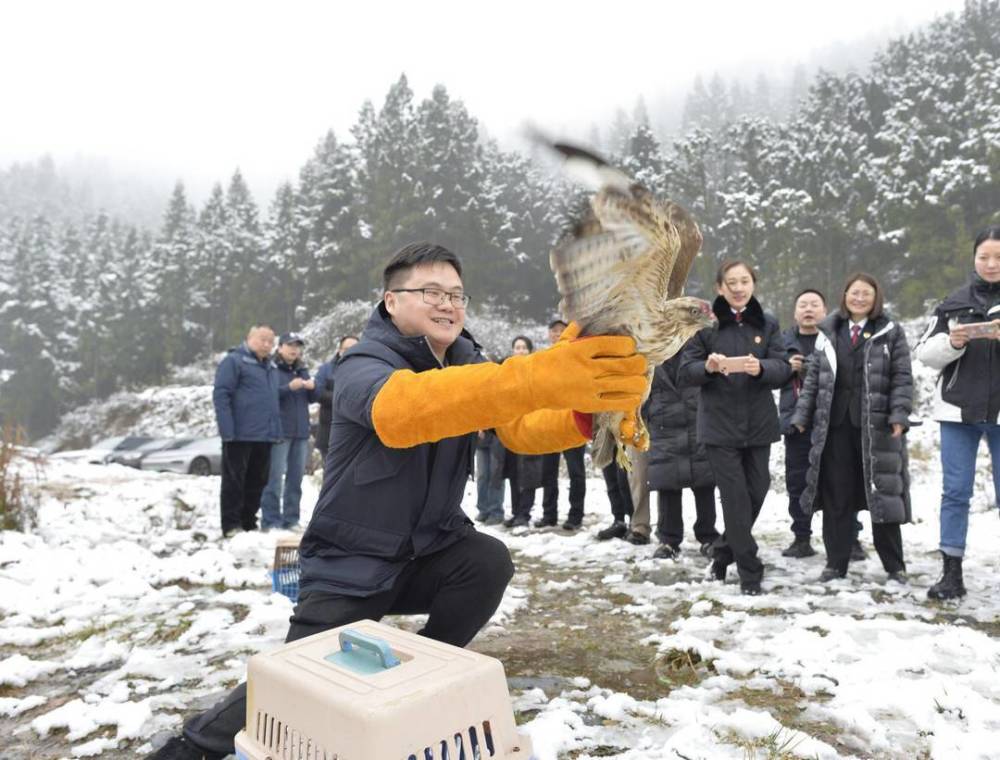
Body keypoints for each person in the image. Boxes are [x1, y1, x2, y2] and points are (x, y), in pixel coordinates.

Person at [151, 242, 647, 759]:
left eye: (457, 294)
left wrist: (585, 416)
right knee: (299, 684)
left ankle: (422, 684)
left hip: (429, 549)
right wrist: (536, 375)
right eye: (431, 291)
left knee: (486, 562)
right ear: (391, 301)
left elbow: (517, 428)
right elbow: (403, 412)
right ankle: (193, 746)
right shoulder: (363, 363)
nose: (448, 304)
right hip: (352, 560)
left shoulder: (466, 358)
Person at [792, 273, 913, 584]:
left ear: (876, 299)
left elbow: (902, 377)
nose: (859, 298)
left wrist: (899, 414)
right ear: (844, 295)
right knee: (837, 496)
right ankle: (836, 563)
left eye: (866, 294)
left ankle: (894, 566)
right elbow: (814, 379)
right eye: (854, 293)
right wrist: (802, 416)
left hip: (876, 429)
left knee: (882, 497)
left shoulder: (890, 331)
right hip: (836, 428)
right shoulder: (828, 331)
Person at [679, 260, 791, 595]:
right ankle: (750, 572)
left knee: (756, 490)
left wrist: (762, 368)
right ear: (719, 288)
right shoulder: (703, 326)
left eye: (744, 281)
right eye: (731, 282)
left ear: (753, 284)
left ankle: (722, 552)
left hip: (758, 423)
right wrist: (709, 367)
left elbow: (784, 368)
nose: (739, 288)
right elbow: (685, 371)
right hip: (718, 425)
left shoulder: (768, 323)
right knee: (735, 499)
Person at [916, 226, 1000, 599]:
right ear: (973, 258)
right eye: (984, 256)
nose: (991, 263)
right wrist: (953, 342)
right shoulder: (953, 303)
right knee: (955, 492)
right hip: (957, 411)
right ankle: (952, 572)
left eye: (998, 257)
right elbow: (925, 353)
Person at [645, 352, 720, 558]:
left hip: (697, 422)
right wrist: (647, 417)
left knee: (704, 483)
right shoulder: (652, 350)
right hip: (663, 427)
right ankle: (668, 540)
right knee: (668, 486)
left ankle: (708, 537)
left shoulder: (696, 348)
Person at [211, 324, 282, 538]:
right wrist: (227, 430)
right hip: (239, 435)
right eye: (262, 339)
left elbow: (271, 400)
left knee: (258, 481)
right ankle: (231, 524)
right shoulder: (234, 361)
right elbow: (221, 395)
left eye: (271, 341)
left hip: (265, 435)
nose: (267, 344)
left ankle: (248, 521)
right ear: (249, 338)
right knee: (235, 481)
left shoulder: (270, 367)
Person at [779, 289, 827, 558]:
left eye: (814, 305)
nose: (808, 310)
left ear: (824, 310)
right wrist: (788, 367)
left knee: (838, 481)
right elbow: (770, 374)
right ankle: (801, 536)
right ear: (795, 311)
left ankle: (849, 536)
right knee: (798, 481)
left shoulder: (834, 340)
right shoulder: (783, 342)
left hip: (832, 423)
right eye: (803, 305)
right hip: (796, 423)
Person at [259, 332, 315, 531]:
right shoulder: (271, 368)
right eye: (290, 345)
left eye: (298, 346)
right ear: (280, 347)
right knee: (274, 479)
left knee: (295, 479)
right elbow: (266, 396)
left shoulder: (302, 369)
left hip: (301, 433)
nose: (294, 349)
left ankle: (291, 519)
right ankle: (270, 520)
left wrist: (312, 387)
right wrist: (288, 387)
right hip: (279, 432)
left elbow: (312, 398)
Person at [536, 319, 588, 531]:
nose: (557, 334)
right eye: (554, 331)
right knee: (548, 472)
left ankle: (575, 516)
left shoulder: (578, 357)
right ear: (549, 334)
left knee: (576, 472)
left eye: (562, 331)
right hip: (549, 423)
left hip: (572, 423)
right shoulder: (543, 359)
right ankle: (549, 515)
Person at [313, 335, 358, 466]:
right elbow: (318, 393)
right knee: (331, 477)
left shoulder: (366, 369)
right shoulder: (326, 369)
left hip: (355, 434)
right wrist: (345, 398)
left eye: (355, 348)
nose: (350, 351)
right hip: (329, 432)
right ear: (339, 350)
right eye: (347, 348)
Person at [597, 460, 634, 539]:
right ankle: (619, 521)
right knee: (610, 478)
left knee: (625, 479)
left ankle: (634, 522)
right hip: (607, 448)